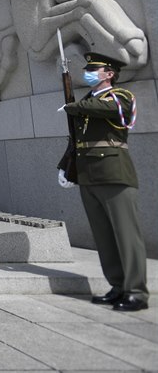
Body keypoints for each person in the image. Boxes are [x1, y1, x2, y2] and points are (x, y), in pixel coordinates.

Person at [61, 52, 148, 311]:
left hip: (113, 171)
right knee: (104, 236)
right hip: (88, 173)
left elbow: (115, 112)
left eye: (94, 70)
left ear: (109, 74)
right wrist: (65, 167)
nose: (87, 73)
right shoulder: (87, 101)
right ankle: (118, 286)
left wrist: (73, 106)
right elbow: (76, 139)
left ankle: (136, 292)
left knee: (126, 235)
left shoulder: (119, 96)